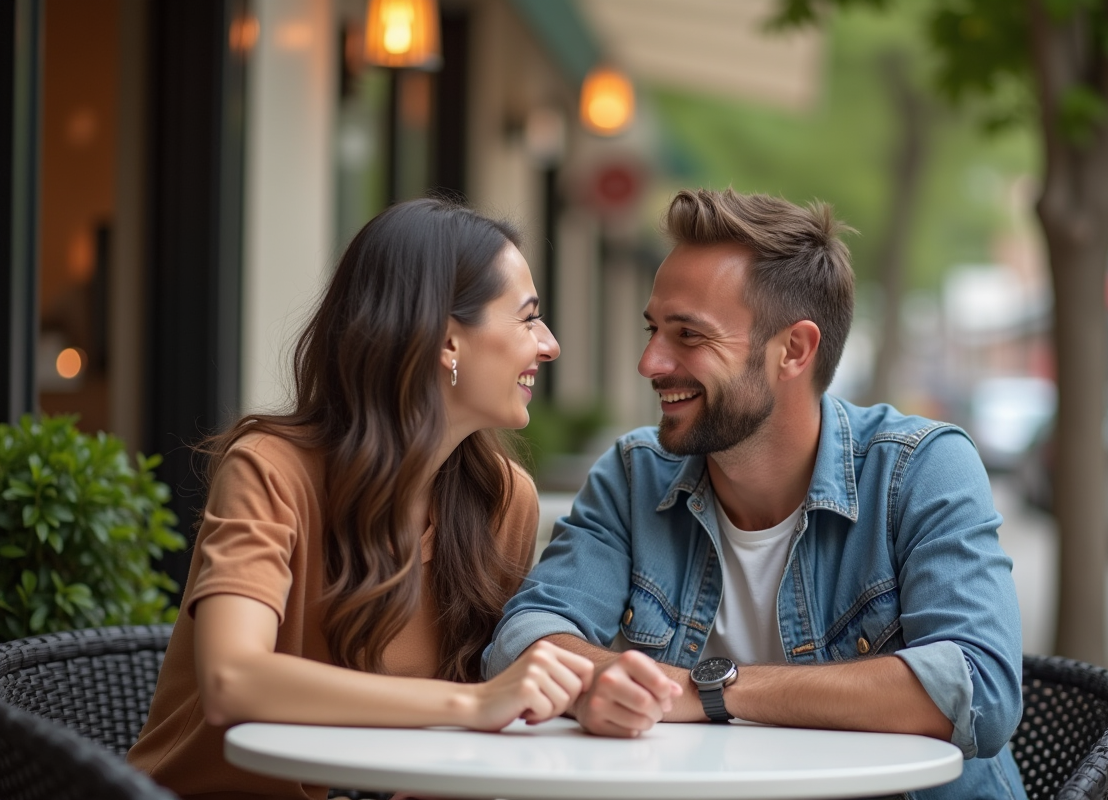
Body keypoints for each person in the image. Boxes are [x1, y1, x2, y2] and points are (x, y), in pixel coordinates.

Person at [483, 188, 1027, 799]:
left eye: (688, 335)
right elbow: (521, 639)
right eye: (653, 328)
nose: (649, 362)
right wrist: (608, 684)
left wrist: (710, 691)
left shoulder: (919, 469)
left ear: (792, 350)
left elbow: (979, 689)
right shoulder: (635, 474)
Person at [128, 198, 594, 800]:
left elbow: (462, 749)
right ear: (447, 342)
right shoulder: (271, 470)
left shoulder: (504, 501)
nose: (549, 345)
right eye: (528, 318)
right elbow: (231, 678)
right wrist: (474, 703)